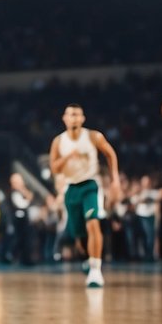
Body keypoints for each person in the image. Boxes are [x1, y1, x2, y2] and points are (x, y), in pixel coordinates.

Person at [49, 105, 120, 288]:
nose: (73, 118)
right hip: (70, 188)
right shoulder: (59, 141)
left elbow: (110, 154)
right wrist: (67, 157)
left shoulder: (93, 136)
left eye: (77, 115)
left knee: (93, 223)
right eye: (70, 115)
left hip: (90, 185)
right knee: (80, 238)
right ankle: (87, 259)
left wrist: (115, 180)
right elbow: (54, 168)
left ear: (82, 118)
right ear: (64, 118)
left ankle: (96, 270)